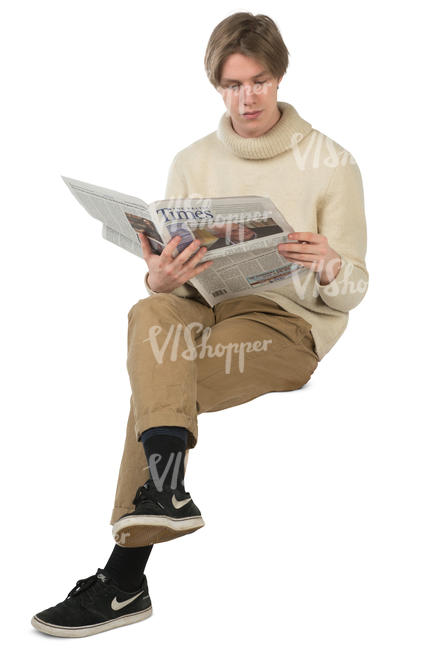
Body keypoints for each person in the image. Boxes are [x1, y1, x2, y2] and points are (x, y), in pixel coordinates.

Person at [31, 11, 369, 638]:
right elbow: (177, 271)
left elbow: (353, 292)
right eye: (232, 85)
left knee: (157, 385)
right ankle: (167, 497)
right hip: (203, 305)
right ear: (217, 85)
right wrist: (161, 276)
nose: (247, 99)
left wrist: (328, 266)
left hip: (284, 325)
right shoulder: (192, 159)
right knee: (149, 308)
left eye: (260, 82)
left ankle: (125, 575)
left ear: (280, 77)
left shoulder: (332, 162)